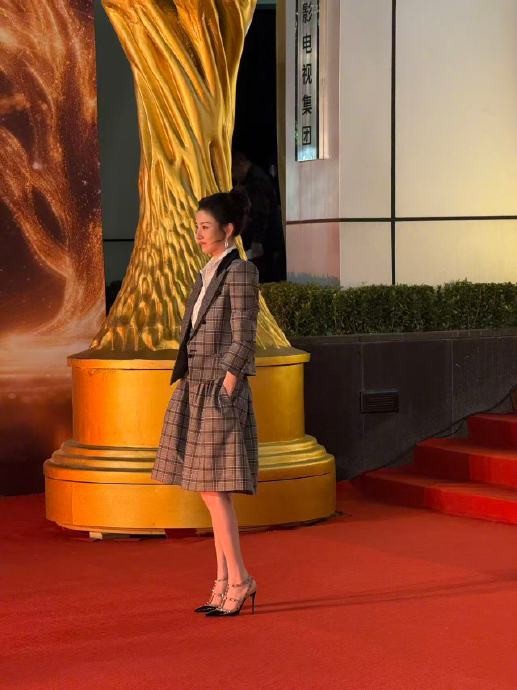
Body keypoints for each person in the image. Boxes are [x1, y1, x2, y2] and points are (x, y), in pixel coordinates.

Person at [151, 189, 259, 618]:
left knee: (215, 490)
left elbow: (244, 334)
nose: (197, 234)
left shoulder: (240, 271)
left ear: (227, 230)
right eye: (196, 226)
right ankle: (221, 582)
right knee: (206, 489)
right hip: (196, 385)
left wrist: (228, 385)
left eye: (204, 227)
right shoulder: (207, 271)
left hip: (218, 389)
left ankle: (239, 580)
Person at [232, 150, 286, 283]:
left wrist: (257, 240)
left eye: (233, 171)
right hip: (266, 236)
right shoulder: (254, 178)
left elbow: (260, 212)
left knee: (265, 272)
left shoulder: (256, 180)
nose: (233, 176)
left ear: (241, 164)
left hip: (266, 237)